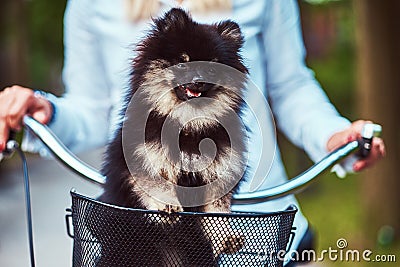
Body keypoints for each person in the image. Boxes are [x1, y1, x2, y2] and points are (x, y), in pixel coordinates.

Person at [0, 0, 385, 265]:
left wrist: (334, 136)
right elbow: (92, 109)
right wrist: (43, 112)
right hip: (142, 238)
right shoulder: (91, 5)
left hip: (260, 228)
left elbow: (291, 87)